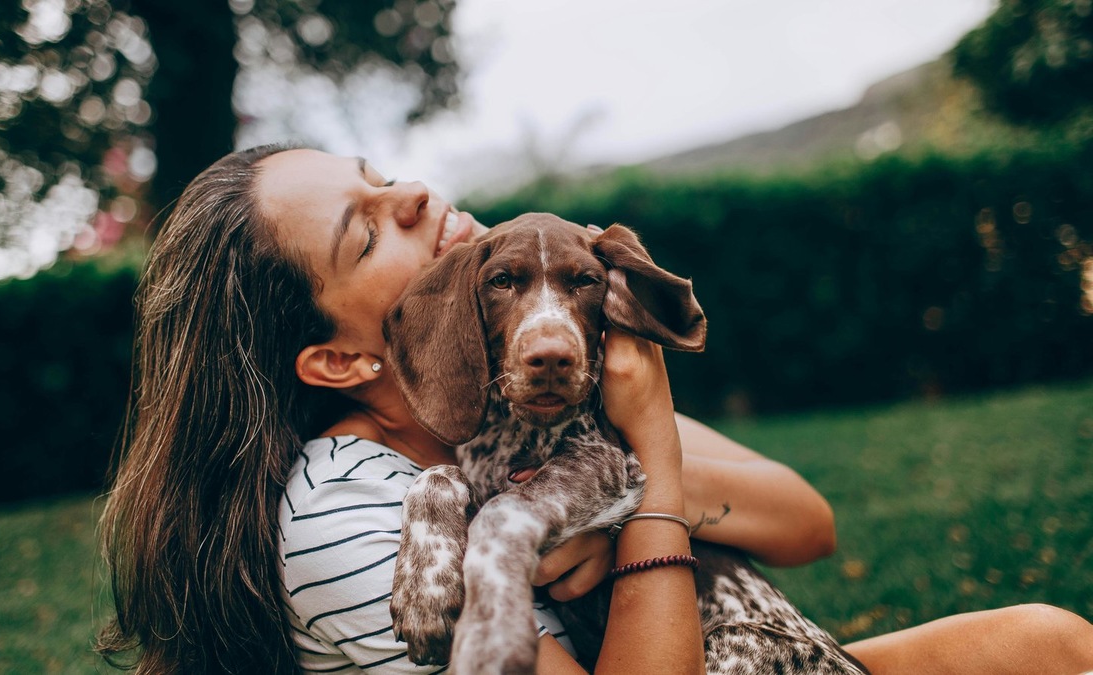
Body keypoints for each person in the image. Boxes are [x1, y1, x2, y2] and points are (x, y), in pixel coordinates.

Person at [98, 144, 1093, 674]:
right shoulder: (350, 513)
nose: (413, 195)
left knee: (1050, 645)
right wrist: (650, 464)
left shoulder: (549, 370)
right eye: (366, 232)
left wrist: (614, 501)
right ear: (339, 356)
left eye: (380, 174)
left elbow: (805, 522)